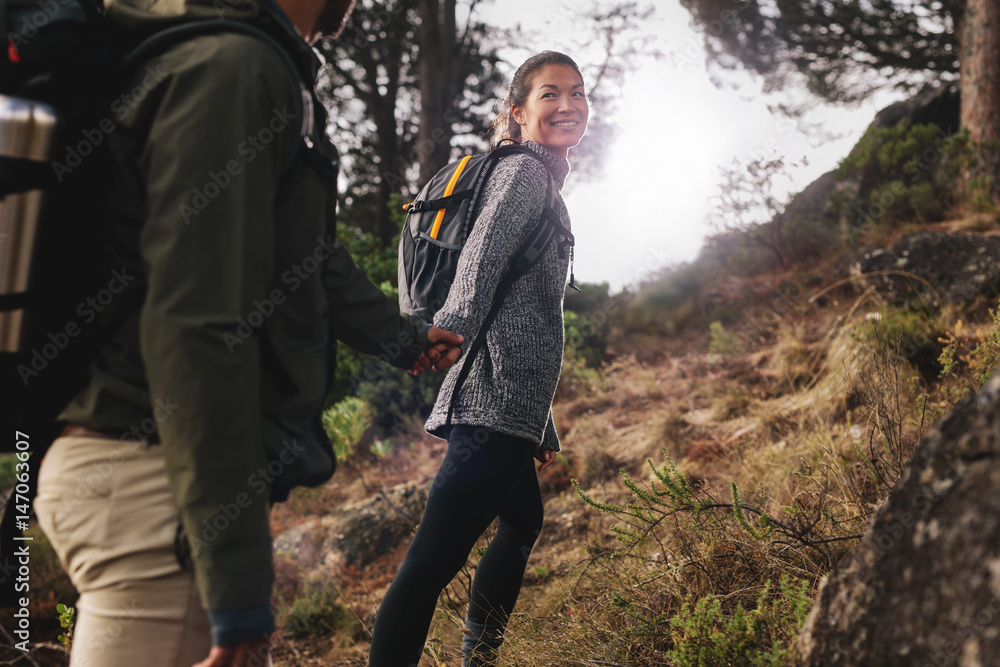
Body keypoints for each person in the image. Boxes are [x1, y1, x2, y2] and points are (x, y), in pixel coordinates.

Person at [31, 0, 463, 665]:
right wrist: (235, 588)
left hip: (143, 475)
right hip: (157, 494)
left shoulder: (219, 55)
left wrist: (403, 339)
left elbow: (305, 259)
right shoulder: (235, 67)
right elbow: (200, 325)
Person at [368, 50, 590, 667]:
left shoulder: (538, 178)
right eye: (550, 95)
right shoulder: (523, 173)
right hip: (491, 399)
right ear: (517, 113)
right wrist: (447, 331)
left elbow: (528, 313)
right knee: (428, 566)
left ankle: (479, 658)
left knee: (522, 523)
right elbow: (483, 260)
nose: (568, 105)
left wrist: (538, 418)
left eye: (577, 93)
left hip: (508, 399)